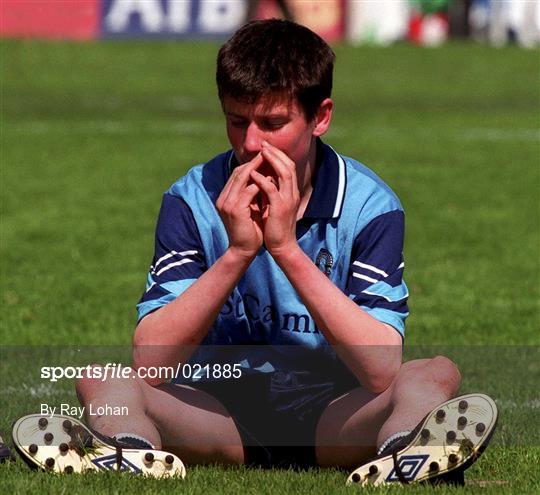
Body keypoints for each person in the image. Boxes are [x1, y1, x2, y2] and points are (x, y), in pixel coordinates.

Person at [16, 20, 497, 484]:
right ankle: (127, 455)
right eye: (236, 120)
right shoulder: (192, 198)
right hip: (216, 414)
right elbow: (152, 363)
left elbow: (379, 370)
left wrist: (285, 248)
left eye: (273, 123)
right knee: (104, 380)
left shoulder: (368, 204)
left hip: (334, 416)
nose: (250, 144)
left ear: (320, 117)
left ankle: (403, 454)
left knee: (433, 374)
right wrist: (237, 254)